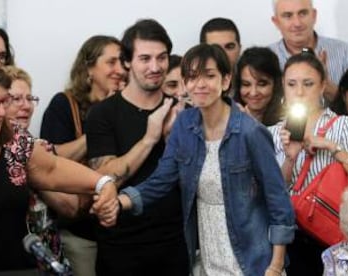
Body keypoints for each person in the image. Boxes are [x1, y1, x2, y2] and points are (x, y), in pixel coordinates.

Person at [95, 43, 296, 276]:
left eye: (209, 76)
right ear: (184, 83)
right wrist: (119, 202)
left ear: (226, 80)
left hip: (252, 259)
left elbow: (278, 201)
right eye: (191, 77)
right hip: (206, 255)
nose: (200, 84)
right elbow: (161, 180)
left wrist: (275, 265)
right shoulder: (184, 125)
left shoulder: (250, 132)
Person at [85, 19, 188, 275]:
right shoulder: (102, 114)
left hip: (173, 245)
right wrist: (150, 138)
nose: (155, 67)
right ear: (127, 62)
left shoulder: (180, 110)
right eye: (145, 59)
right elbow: (105, 178)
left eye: (161, 58)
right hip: (121, 248)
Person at [0, 66, 117, 275]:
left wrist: (103, 183)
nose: (1, 111)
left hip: (17, 269)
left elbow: (52, 168)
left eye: (3, 102)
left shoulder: (15, 141)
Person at [268, 49, 348, 275]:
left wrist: (332, 147)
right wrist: (290, 158)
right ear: (283, 85)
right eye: (292, 84)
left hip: (333, 234)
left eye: (308, 83)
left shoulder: (342, 125)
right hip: (289, 239)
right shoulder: (273, 133)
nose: (299, 92)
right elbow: (273, 193)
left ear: (322, 86)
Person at [40, 35, 124, 276]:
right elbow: (50, 160)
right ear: (88, 68)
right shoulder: (64, 105)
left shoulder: (129, 105)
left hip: (120, 232)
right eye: (111, 62)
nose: (120, 69)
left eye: (123, 62)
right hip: (80, 233)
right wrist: (102, 123)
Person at [270, 0, 348, 103]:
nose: (297, 23)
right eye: (288, 16)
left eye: (303, 13)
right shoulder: (265, 59)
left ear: (314, 16)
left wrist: (327, 86)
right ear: (276, 22)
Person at [234, 46, 284, 126]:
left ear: (276, 84)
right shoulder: (227, 119)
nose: (253, 93)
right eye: (246, 84)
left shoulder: (288, 123)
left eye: (262, 84)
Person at [200, 17, 242, 97]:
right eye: (215, 48)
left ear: (239, 49)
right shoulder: (192, 89)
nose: (223, 54)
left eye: (229, 47)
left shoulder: (253, 90)